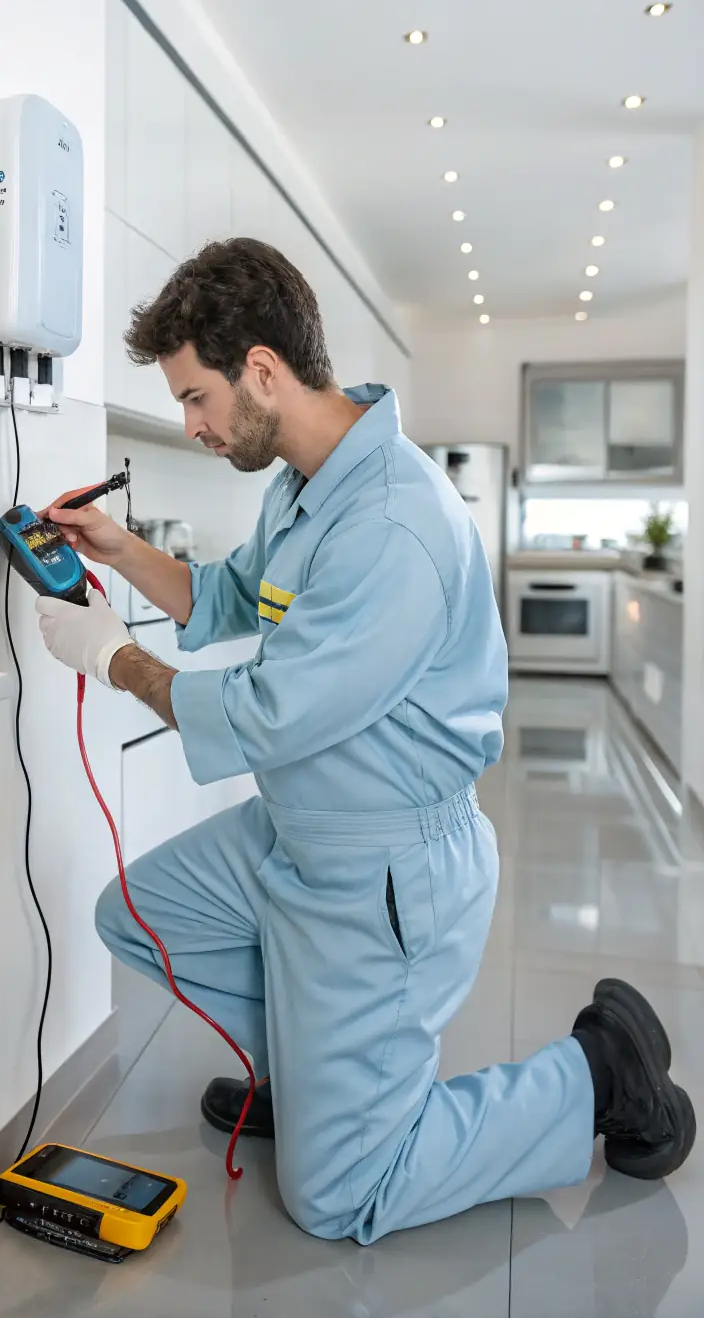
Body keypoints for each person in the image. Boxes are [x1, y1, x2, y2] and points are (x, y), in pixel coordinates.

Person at [34, 238, 695, 1244]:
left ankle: (597, 1075)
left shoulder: (391, 522)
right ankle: (310, 1081)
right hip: (294, 828)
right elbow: (225, 598)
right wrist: (121, 551)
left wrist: (111, 657)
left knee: (339, 1195)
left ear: (262, 370)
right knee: (140, 914)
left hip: (385, 863)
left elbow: (266, 712)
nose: (193, 424)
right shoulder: (307, 484)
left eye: (196, 397)